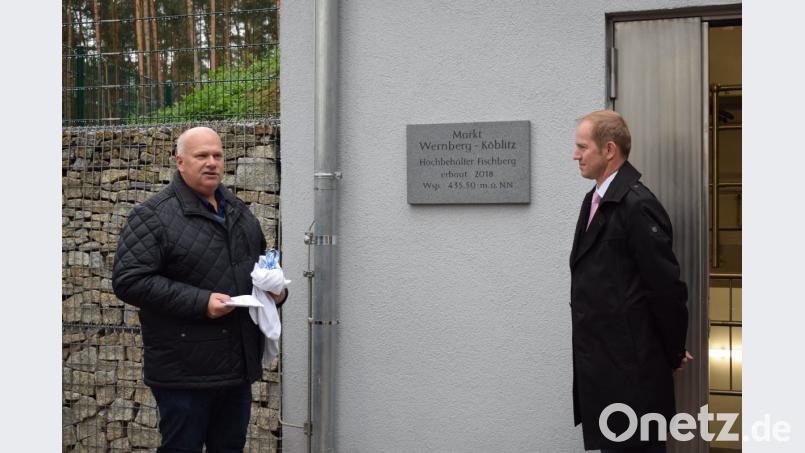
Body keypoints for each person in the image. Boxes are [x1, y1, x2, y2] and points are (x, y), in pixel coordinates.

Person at [112, 126, 288, 452]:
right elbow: (129, 280)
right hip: (184, 372)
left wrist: (277, 291)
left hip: (236, 368)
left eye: (217, 155)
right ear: (180, 162)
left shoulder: (238, 211)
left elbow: (259, 268)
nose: (212, 162)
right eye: (202, 156)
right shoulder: (152, 216)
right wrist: (201, 302)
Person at [569, 110, 691, 452]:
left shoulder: (637, 205)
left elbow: (665, 288)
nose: (575, 155)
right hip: (607, 370)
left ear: (609, 150)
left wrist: (674, 350)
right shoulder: (594, 200)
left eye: (582, 147)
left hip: (632, 376)